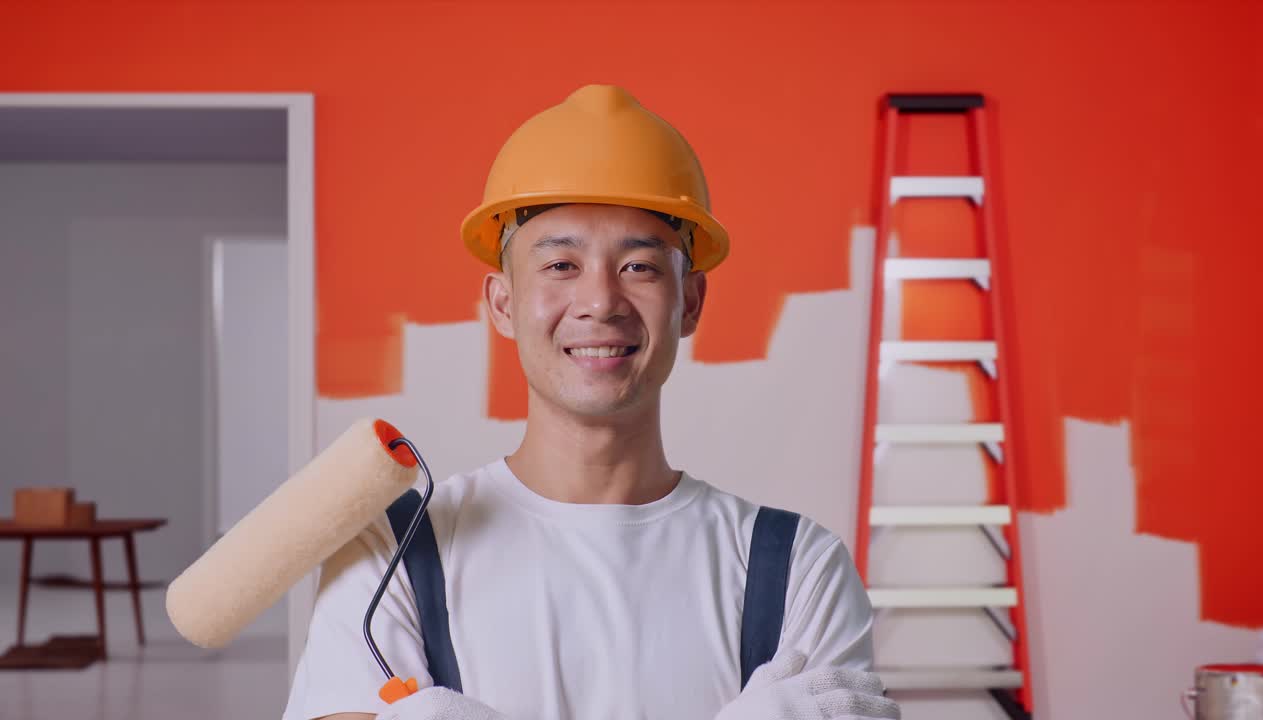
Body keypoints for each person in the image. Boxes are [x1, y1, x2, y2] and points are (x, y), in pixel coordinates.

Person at [283, 85, 897, 720]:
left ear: (689, 302)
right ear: (501, 302)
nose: (601, 302)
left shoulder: (800, 567)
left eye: (640, 267)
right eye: (560, 266)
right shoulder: (393, 553)